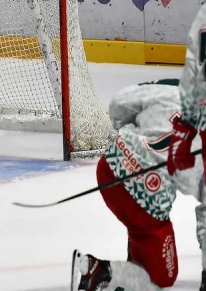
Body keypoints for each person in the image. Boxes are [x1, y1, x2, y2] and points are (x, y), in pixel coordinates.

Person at [71, 79, 206, 291]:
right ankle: (97, 272)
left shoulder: (173, 88)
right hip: (145, 198)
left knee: (143, 229)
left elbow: (119, 103)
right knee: (161, 277)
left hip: (109, 165)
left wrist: (132, 138)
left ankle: (137, 254)